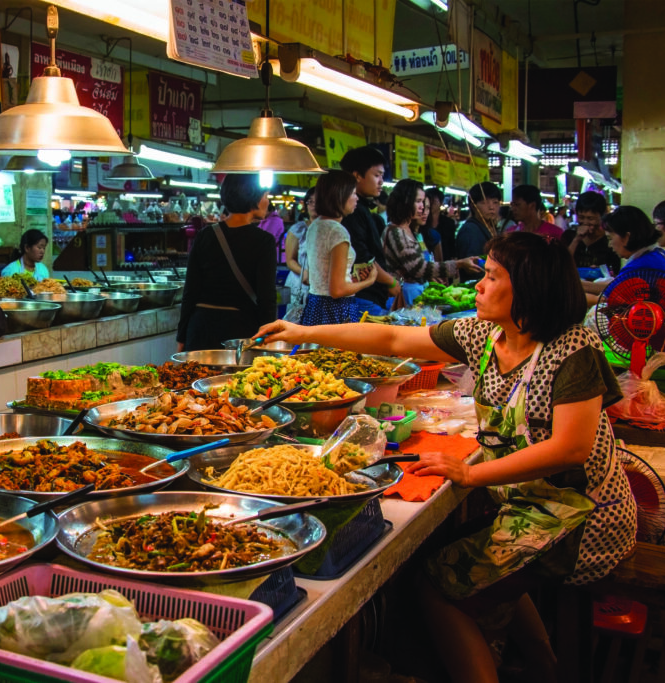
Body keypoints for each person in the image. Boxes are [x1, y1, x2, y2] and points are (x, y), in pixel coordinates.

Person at [254, 231, 637, 683]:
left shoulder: (574, 349)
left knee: (437, 587)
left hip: (583, 521)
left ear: (529, 287)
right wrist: (305, 332)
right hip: (529, 509)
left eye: (492, 277)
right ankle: (545, 668)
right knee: (478, 565)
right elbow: (394, 339)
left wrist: (473, 475)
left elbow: (570, 447)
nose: (479, 284)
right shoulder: (484, 334)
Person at [176, 174, 276, 351]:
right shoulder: (264, 241)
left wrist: (182, 338)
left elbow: (190, 292)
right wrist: (268, 339)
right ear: (253, 197)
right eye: (266, 196)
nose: (268, 202)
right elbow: (266, 298)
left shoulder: (205, 235)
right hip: (240, 333)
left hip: (200, 331)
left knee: (198, 379)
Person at [382, 179, 481, 305]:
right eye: (418, 201)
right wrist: (459, 264)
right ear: (405, 202)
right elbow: (419, 268)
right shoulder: (395, 231)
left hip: (414, 293)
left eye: (423, 202)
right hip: (403, 295)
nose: (422, 207)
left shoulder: (409, 231)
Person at [301, 171, 378, 325]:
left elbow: (318, 276)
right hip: (335, 309)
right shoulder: (337, 231)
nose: (356, 198)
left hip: (315, 305)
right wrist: (369, 281)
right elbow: (337, 290)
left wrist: (352, 278)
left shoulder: (315, 226)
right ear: (340, 195)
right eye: (354, 193)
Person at [339, 146, 400, 313]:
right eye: (376, 175)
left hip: (370, 297)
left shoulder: (364, 210)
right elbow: (363, 258)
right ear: (357, 175)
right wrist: (391, 281)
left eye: (382, 176)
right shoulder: (353, 212)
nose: (381, 181)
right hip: (362, 299)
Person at [584, 206, 665, 307]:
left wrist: (568, 295)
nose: (609, 245)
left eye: (610, 238)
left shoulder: (641, 265)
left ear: (626, 237)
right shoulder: (656, 255)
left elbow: (603, 299)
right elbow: (614, 286)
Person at [561, 191, 619, 274]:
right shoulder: (568, 236)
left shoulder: (609, 240)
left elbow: (615, 270)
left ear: (601, 217)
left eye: (591, 218)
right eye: (581, 217)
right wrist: (576, 240)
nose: (585, 222)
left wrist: (602, 271)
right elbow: (561, 264)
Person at [282, 187, 315, 323]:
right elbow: (290, 260)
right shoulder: (298, 229)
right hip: (299, 284)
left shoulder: (329, 229)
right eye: (310, 202)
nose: (314, 205)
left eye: (318, 201)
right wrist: (304, 272)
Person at [455, 182, 502, 259]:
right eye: (484, 202)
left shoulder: (492, 227)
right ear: (473, 206)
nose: (491, 207)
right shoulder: (470, 230)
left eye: (495, 202)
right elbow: (472, 265)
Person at [426, 187, 456, 260]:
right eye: (429, 201)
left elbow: (452, 246)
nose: (431, 205)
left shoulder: (449, 223)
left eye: (434, 202)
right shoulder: (422, 223)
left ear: (441, 203)